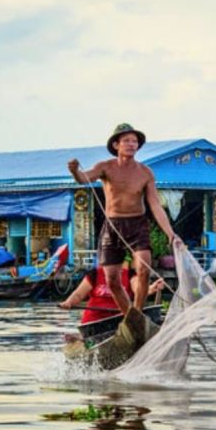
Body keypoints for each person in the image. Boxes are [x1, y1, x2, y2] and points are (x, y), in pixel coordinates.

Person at [67, 123, 183, 316]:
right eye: (127, 141)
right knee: (112, 279)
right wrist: (74, 171)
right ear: (116, 145)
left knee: (144, 268)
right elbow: (83, 178)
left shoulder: (145, 172)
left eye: (135, 141)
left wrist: (171, 234)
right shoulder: (105, 167)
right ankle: (129, 316)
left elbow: (155, 205)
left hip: (137, 224)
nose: (131, 144)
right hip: (112, 226)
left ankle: (137, 311)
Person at [59, 262, 165, 325]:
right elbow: (78, 294)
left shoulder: (129, 274)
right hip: (94, 322)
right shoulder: (95, 274)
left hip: (119, 320)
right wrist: (68, 302)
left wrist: (152, 288)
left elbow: (139, 289)